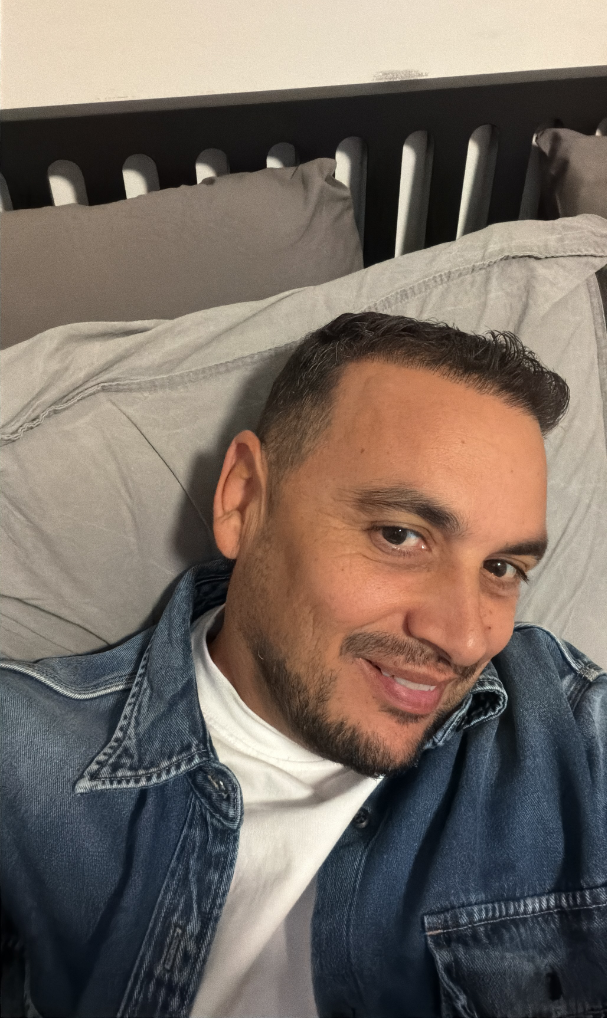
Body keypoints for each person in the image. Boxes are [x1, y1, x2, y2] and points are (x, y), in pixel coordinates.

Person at [1, 312, 606, 1018]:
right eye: (399, 535)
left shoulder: (569, 736)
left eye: (501, 567)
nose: (466, 638)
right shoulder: (22, 767)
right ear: (243, 500)